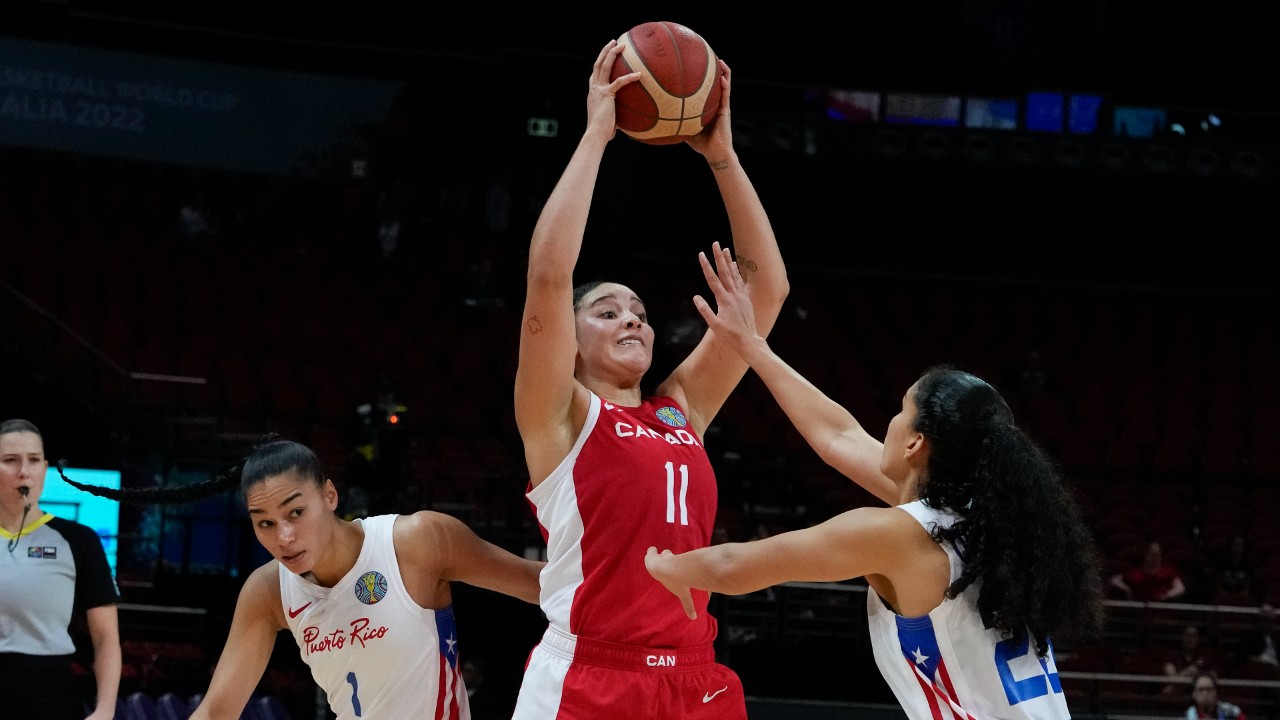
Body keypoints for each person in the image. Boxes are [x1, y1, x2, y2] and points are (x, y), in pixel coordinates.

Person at [643, 253, 1105, 720]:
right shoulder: (981, 521)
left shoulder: (897, 535)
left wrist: (662, 563)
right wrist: (751, 347)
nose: (888, 423)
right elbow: (837, 437)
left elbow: (730, 566)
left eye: (900, 410)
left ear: (915, 444)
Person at [510, 37, 789, 720]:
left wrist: (720, 155)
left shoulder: (679, 408)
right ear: (570, 343)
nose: (632, 320)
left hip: (694, 679)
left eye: (638, 311)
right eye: (607, 312)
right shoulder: (558, 416)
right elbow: (548, 278)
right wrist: (596, 136)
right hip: (589, 678)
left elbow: (769, 291)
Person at [59, 435, 544, 719]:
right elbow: (218, 710)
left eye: (296, 512)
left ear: (329, 496)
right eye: (264, 522)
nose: (284, 536)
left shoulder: (415, 542)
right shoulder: (268, 590)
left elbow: (542, 585)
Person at [0, 418, 121, 720]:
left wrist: (105, 710)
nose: (24, 470)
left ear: (45, 468)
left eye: (34, 460)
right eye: (10, 460)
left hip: (52, 696)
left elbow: (106, 638)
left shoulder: (80, 541)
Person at [1110, 540, 1187, 602]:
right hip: (1139, 610)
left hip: (1162, 610)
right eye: (1152, 554)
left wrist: (1167, 595)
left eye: (1157, 555)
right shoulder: (1136, 573)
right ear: (1146, 555)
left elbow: (1180, 588)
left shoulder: (1168, 573)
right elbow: (1114, 580)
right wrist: (1127, 589)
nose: (1155, 558)